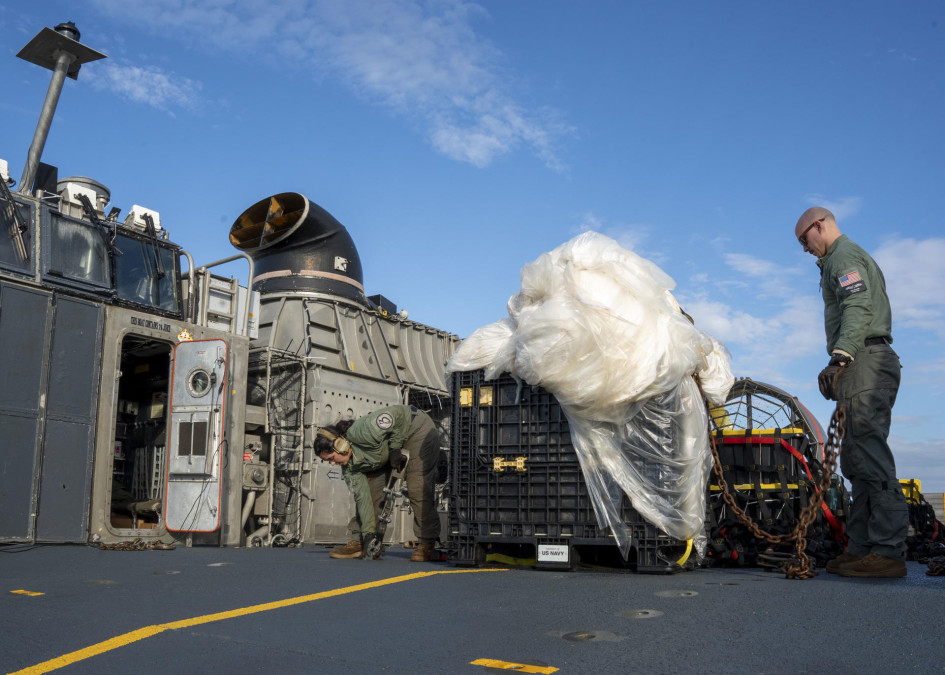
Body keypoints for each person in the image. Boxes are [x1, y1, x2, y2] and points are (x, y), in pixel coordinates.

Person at [795, 206, 909, 578]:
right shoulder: (837, 261)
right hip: (863, 362)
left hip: (866, 359)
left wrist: (840, 357)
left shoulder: (843, 255)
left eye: (804, 239)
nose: (805, 249)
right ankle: (862, 547)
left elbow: (857, 304)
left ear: (819, 225)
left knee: (870, 455)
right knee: (856, 459)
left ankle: (888, 551)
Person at [315, 404, 440, 562]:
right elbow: (363, 499)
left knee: (417, 487)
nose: (332, 464)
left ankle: (427, 542)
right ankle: (365, 542)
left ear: (340, 446)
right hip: (384, 451)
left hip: (415, 430)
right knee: (371, 488)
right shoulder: (349, 468)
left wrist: (395, 447)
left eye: (331, 458)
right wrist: (368, 534)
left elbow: (398, 414)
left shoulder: (363, 430)